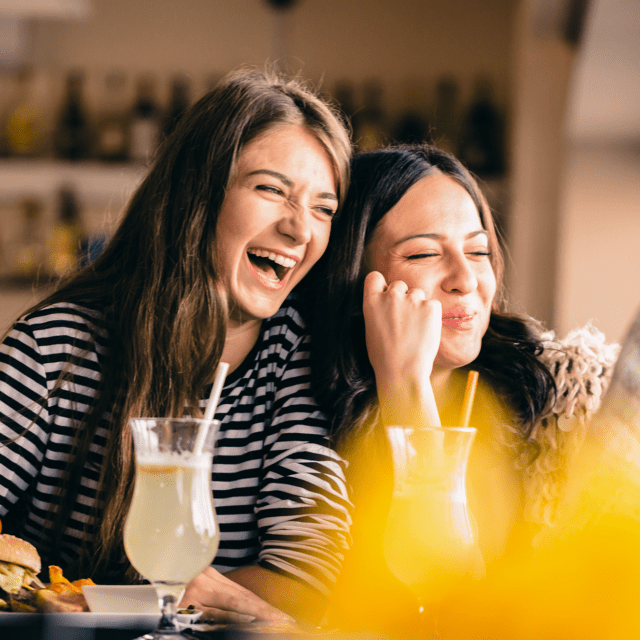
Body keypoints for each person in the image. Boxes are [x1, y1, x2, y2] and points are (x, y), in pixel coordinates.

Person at [0, 67, 353, 624]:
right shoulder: (57, 347)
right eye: (270, 189)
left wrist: (159, 604)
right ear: (198, 190)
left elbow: (307, 576)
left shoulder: (295, 357)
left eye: (323, 208)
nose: (300, 230)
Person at [306, 143, 619, 635]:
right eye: (425, 253)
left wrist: (406, 383)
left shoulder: (574, 401)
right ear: (352, 275)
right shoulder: (300, 411)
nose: (466, 278)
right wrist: (402, 380)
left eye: (478, 251)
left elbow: (456, 599)